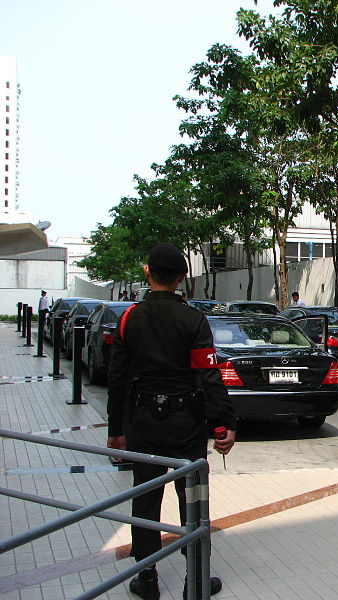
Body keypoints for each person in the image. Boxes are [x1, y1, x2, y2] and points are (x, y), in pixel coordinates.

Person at [106, 243, 237, 600]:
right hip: (186, 422)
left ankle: (145, 577)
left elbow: (116, 378)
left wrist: (115, 429)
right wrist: (223, 424)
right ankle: (195, 577)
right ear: (182, 278)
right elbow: (209, 374)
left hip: (142, 420)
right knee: (192, 497)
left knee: (145, 497)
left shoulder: (129, 318)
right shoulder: (193, 319)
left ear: (148, 272)